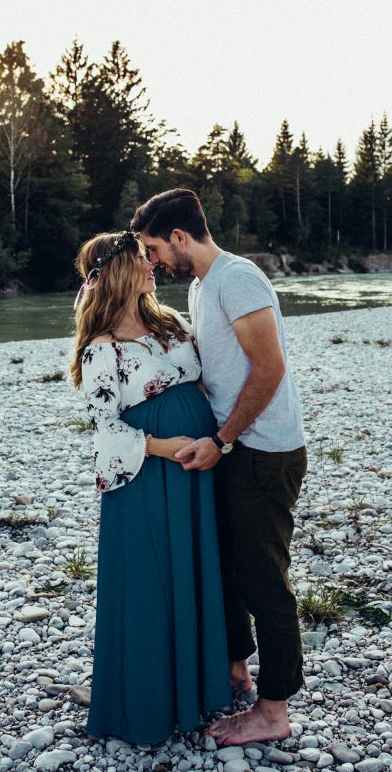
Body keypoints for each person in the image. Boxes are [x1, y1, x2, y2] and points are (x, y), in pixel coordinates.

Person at [131, 189, 307, 746]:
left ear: (180, 238)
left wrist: (222, 440)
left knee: (263, 579)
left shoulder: (238, 278)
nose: (153, 261)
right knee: (228, 567)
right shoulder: (205, 287)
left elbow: (270, 368)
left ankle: (274, 710)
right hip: (236, 447)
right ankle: (237, 670)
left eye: (155, 249)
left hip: (264, 450)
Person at [70, 229, 231, 744]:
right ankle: (150, 700)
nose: (152, 266)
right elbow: (105, 428)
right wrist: (165, 446)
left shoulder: (169, 321)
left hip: (197, 470)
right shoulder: (102, 348)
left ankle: (200, 689)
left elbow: (204, 379)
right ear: (119, 271)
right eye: (143, 259)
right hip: (148, 477)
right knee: (152, 582)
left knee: (197, 570)